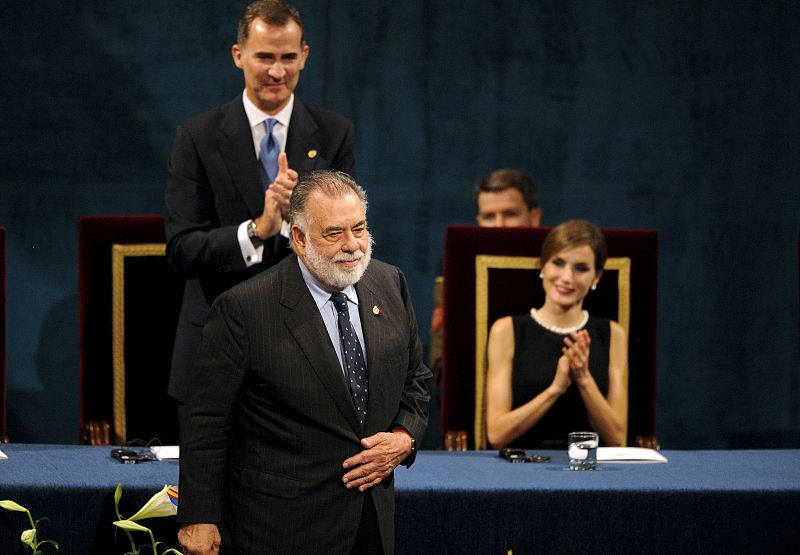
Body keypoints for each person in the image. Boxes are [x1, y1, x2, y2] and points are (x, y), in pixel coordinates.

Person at [176, 171, 431, 555]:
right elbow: (207, 420)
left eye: (359, 228)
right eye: (334, 233)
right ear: (299, 238)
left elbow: (416, 380)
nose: (353, 246)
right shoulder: (245, 309)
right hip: (281, 525)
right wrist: (199, 515)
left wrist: (404, 438)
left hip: (371, 521)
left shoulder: (390, 283)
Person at [164, 0, 356, 408]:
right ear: (239, 56)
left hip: (305, 353)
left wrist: (295, 221)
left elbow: (347, 246)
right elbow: (182, 250)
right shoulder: (197, 137)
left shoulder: (335, 134)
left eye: (288, 57)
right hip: (216, 347)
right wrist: (258, 230)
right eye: (264, 57)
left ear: (304, 56)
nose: (276, 71)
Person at [485, 220, 628, 449]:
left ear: (597, 277)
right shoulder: (507, 330)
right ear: (543, 266)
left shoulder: (612, 334)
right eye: (558, 263)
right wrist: (555, 389)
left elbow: (616, 436)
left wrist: (583, 379)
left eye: (581, 268)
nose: (567, 278)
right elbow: (497, 434)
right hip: (522, 466)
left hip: (589, 468)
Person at [429, 169, 542, 396]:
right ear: (478, 221)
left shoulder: (557, 266)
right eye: (489, 216)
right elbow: (440, 358)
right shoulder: (457, 266)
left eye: (510, 214)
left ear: (535, 217)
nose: (499, 225)